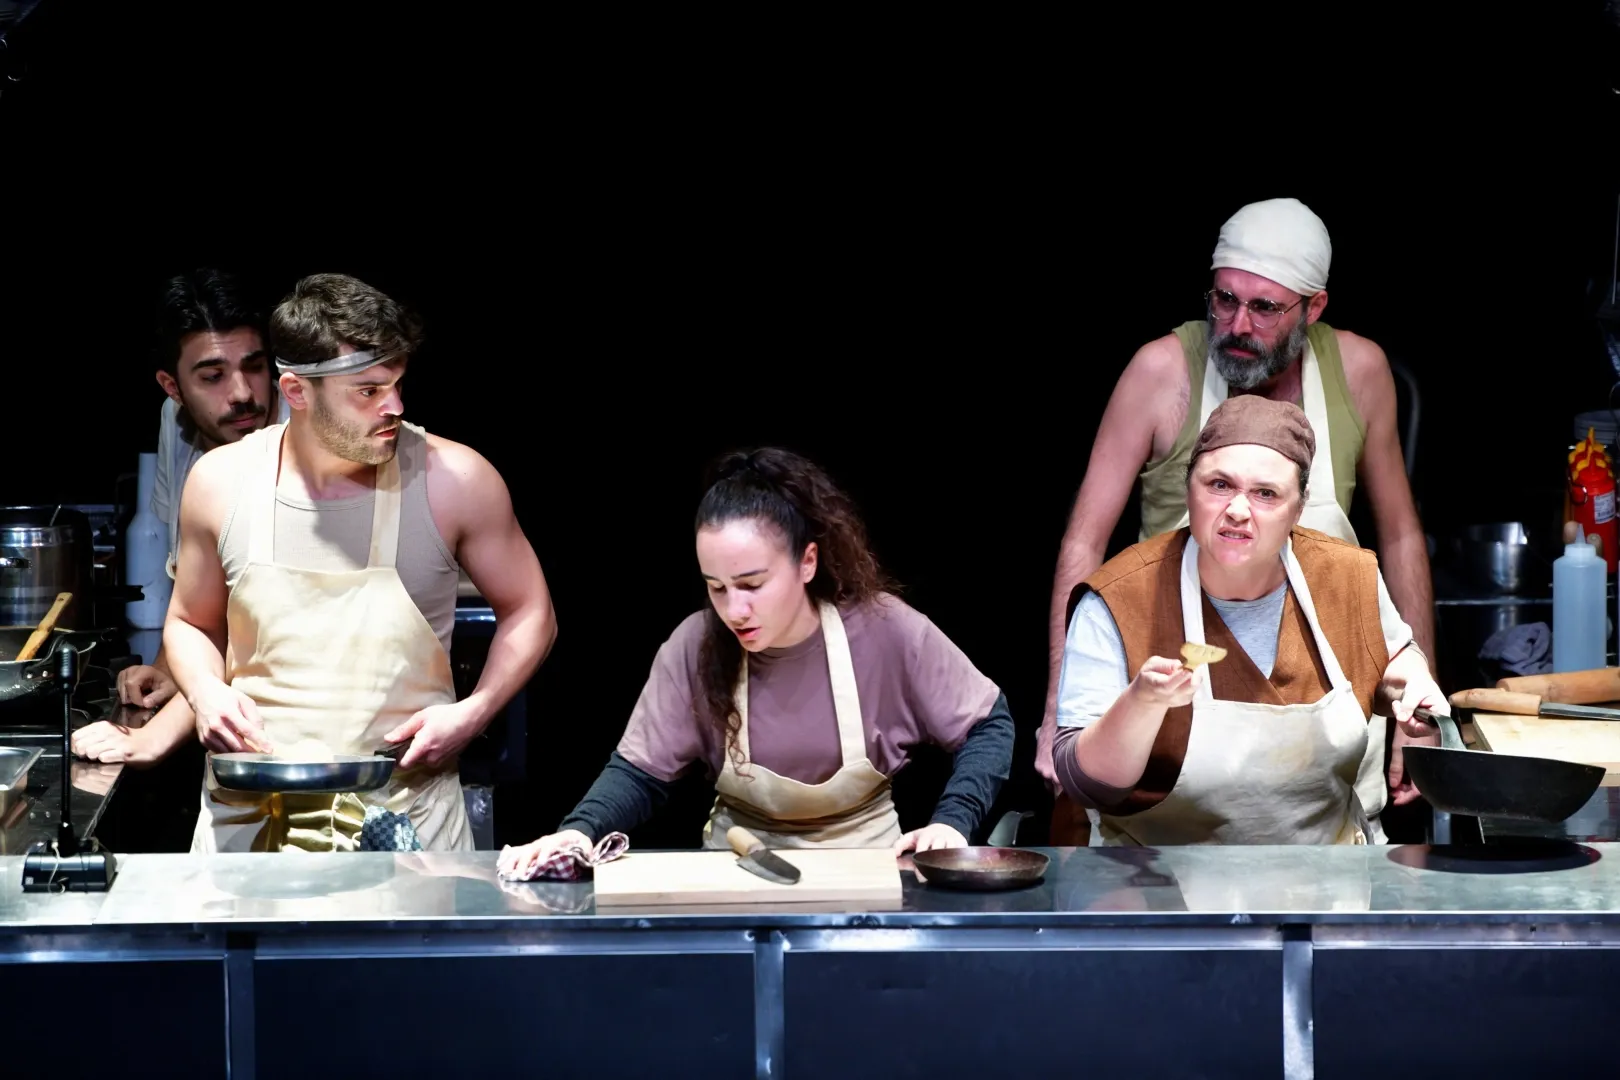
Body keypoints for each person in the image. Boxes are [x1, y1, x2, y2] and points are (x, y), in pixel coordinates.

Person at [1040, 197, 1434, 839]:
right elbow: (1085, 542)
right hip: (1177, 679)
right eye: (1224, 300)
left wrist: (1420, 700)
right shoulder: (1160, 372)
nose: (1238, 324)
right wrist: (1061, 717)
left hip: (1317, 685)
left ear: (1314, 307)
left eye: (1265, 308)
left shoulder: (1358, 377)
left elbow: (1402, 537)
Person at [164, 272, 557, 852]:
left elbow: (531, 610)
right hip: (250, 826)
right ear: (297, 391)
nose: (394, 406)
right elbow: (189, 622)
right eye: (368, 391)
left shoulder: (454, 480)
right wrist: (205, 692)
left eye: (396, 384)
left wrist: (475, 711)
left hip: (406, 825)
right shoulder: (220, 482)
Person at [498, 447, 1012, 877]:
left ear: (807, 562)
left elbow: (989, 724)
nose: (734, 610)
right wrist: (578, 831)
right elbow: (639, 774)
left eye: (752, 584)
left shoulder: (885, 630)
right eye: (716, 588)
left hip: (870, 876)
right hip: (737, 877)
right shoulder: (695, 645)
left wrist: (953, 823)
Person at [1051, 394, 1446, 846]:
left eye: (1265, 494)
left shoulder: (1348, 575)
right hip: (1158, 875)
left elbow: (1391, 659)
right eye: (1219, 485)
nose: (1238, 510)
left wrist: (1413, 684)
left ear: (1299, 508)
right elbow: (1087, 784)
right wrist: (1141, 705)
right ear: (1188, 489)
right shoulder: (1120, 597)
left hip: (1326, 872)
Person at [74, 268, 290, 767]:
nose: (242, 393)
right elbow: (198, 591)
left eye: (255, 367)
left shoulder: (301, 437)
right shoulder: (176, 423)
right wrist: (170, 669)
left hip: (287, 722)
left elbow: (254, 627)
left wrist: (153, 737)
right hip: (222, 721)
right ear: (172, 386)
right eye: (212, 377)